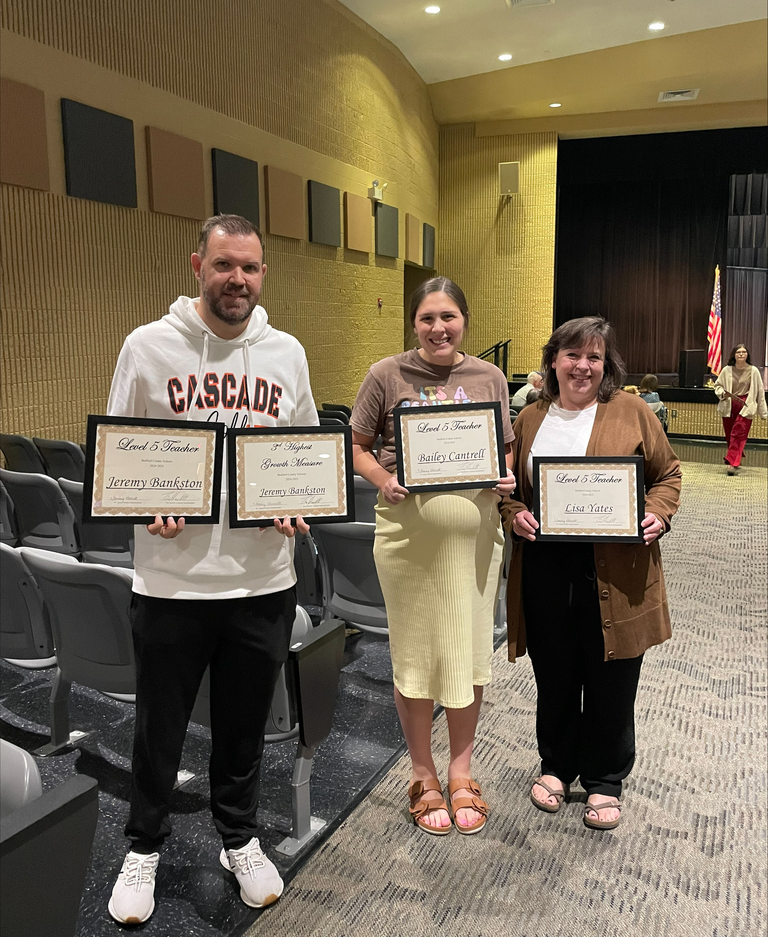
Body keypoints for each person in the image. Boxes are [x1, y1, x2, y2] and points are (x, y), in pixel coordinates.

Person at [107, 214, 318, 925]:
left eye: (251, 268)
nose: (238, 280)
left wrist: (298, 502)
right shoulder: (148, 345)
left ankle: (239, 835)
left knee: (243, 727)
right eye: (225, 265)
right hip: (172, 581)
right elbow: (121, 453)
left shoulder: (285, 353)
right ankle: (143, 845)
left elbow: (304, 450)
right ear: (198, 263)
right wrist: (145, 504)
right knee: (159, 726)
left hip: (262, 580)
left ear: (264, 274)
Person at [500, 316, 681, 830]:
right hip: (546, 565)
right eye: (572, 355)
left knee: (612, 674)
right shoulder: (529, 417)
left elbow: (668, 474)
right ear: (552, 360)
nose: (583, 366)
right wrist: (514, 512)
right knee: (554, 670)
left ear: (607, 365)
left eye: (594, 357)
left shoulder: (632, 410)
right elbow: (509, 486)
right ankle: (557, 765)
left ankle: (605, 780)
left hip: (616, 567)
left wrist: (658, 513)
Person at [350, 277, 516, 836]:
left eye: (448, 316)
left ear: (464, 320)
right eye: (427, 318)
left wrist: (504, 474)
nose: (438, 328)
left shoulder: (488, 377)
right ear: (413, 323)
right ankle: (422, 773)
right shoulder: (386, 374)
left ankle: (462, 771)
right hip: (408, 539)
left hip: (472, 541)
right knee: (417, 654)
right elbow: (357, 445)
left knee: (469, 653)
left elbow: (505, 446)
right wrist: (381, 477)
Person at [714, 343, 768, 475]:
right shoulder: (727, 370)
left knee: (738, 433)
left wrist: (763, 412)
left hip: (745, 405)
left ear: (747, 355)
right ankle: (736, 456)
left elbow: (760, 392)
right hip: (729, 405)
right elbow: (717, 386)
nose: (742, 354)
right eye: (739, 352)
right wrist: (722, 393)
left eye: (744, 352)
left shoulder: (753, 370)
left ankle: (732, 463)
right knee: (730, 435)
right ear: (734, 355)